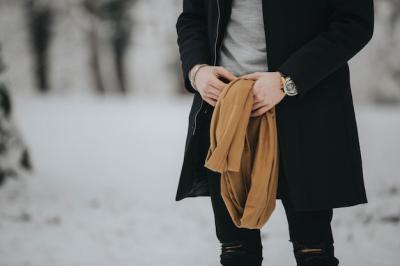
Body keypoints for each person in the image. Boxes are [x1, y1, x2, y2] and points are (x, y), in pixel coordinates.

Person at [174, 0, 374, 265]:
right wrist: (197, 71)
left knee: (313, 249)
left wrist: (287, 80)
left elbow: (354, 23)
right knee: (236, 250)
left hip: (306, 108)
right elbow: (192, 18)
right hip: (226, 109)